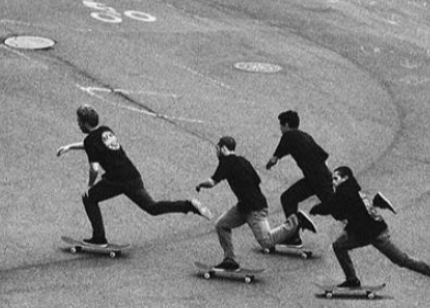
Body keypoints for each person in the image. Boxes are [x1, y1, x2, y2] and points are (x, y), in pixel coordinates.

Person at [56, 105, 212, 246]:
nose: (78, 124)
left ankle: (99, 238)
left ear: (85, 123)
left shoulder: (91, 141)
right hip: (132, 175)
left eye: (79, 122)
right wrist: (69, 147)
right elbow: (91, 143)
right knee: (152, 207)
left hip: (117, 180)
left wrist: (89, 186)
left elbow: (94, 169)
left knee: (88, 197)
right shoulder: (105, 130)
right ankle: (189, 205)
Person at [308, 166, 430, 295]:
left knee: (402, 260)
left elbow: (332, 206)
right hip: (369, 229)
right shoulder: (353, 189)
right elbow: (340, 209)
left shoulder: (345, 191)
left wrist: (316, 209)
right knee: (339, 245)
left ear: (345, 178)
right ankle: (351, 279)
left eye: (335, 178)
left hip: (374, 233)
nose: (333, 182)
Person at [195, 136, 318, 270]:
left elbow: (212, 182)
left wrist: (200, 185)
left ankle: (297, 220)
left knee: (266, 241)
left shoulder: (227, 161)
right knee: (221, 225)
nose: (216, 151)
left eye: (217, 148)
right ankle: (230, 260)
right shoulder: (244, 161)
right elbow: (256, 180)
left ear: (223, 148)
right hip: (244, 206)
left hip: (254, 208)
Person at [265, 110, 333, 247]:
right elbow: (324, 157)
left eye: (281, 125)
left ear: (287, 124)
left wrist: (268, 165)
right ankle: (293, 236)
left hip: (316, 179)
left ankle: (365, 220)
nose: (280, 128)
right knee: (288, 198)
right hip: (320, 176)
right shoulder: (306, 136)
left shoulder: (288, 136)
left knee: (336, 208)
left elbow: (274, 159)